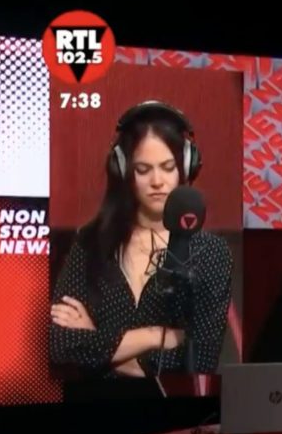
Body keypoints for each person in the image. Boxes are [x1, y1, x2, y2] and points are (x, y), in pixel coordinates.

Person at [49, 101, 232, 379]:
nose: (157, 181)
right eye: (143, 169)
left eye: (167, 167)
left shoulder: (210, 252)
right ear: (123, 170)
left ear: (185, 167)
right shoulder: (89, 243)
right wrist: (156, 335)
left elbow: (200, 361)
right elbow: (60, 345)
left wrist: (95, 341)